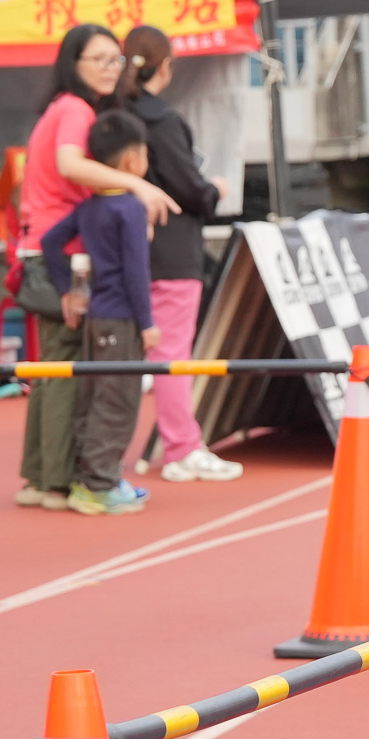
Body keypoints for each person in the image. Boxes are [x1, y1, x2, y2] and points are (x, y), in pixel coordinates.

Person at [14, 24, 177, 509]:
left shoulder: (59, 108)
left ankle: (43, 478)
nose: (110, 69)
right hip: (62, 257)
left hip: (45, 248)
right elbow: (70, 164)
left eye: (115, 60)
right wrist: (137, 186)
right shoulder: (75, 109)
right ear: (73, 63)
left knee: (54, 369)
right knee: (69, 371)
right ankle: (62, 482)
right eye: (99, 59)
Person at [119, 25, 242, 483]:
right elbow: (190, 188)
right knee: (172, 353)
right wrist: (214, 190)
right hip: (171, 250)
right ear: (166, 66)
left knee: (121, 354)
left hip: (122, 247)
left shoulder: (112, 115)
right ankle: (181, 448)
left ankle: (101, 454)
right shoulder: (163, 122)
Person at [41, 108, 159, 517]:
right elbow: (136, 271)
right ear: (132, 161)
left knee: (92, 396)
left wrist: (67, 290)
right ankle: (99, 484)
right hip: (122, 318)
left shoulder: (89, 207)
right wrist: (147, 323)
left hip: (95, 315)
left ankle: (89, 477)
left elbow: (50, 242)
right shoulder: (130, 208)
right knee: (118, 400)